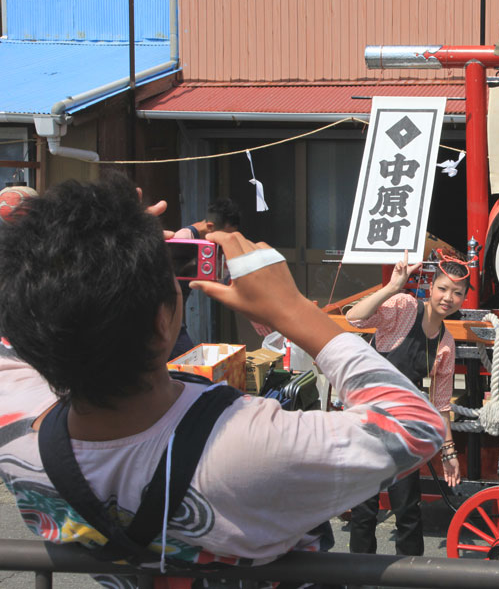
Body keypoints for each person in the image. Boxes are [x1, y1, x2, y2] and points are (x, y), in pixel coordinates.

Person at [0, 174, 445, 580]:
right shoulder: (247, 444)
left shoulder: (18, 439)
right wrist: (290, 309)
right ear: (162, 322)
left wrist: (66, 244)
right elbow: (416, 426)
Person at [344, 250, 468, 556]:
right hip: (366, 419)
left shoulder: (446, 344)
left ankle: (409, 578)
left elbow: (441, 405)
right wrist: (391, 287)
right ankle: (358, 579)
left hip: (404, 428)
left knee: (409, 511)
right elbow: (354, 318)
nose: (448, 298)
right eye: (442, 288)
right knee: (364, 512)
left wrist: (448, 452)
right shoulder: (403, 307)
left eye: (457, 293)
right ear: (430, 288)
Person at [168, 198, 242, 359]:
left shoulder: (212, 246)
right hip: (168, 319)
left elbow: (224, 280)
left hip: (177, 320)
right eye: (225, 236)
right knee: (188, 364)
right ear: (210, 227)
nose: (226, 242)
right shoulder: (183, 239)